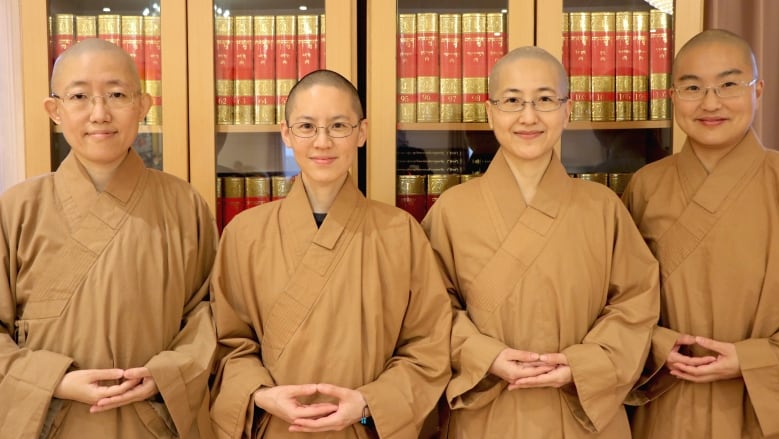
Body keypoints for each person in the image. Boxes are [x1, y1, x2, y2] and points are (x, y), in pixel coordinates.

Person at [421, 46, 660, 437]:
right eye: (512, 100)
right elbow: (427, 312)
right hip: (486, 416)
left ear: (567, 110)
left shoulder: (603, 208)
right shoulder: (451, 209)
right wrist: (486, 356)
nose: (528, 116)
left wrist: (583, 365)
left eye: (545, 100)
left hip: (582, 417)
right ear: (490, 111)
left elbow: (636, 304)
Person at [208, 69, 452, 438]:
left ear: (362, 132)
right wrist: (263, 395)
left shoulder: (400, 232)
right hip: (278, 428)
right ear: (286, 133)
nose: (322, 142)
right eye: (306, 126)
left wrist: (368, 403)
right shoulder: (245, 234)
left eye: (339, 126)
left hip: (363, 428)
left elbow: (428, 348)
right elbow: (228, 345)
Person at [0, 38, 218, 438]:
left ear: (142, 105)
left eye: (116, 94)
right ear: (55, 110)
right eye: (80, 96)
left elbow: (207, 315)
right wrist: (54, 381)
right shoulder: (16, 209)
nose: (99, 113)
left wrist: (164, 375)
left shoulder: (184, 204)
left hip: (151, 421)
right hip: (50, 421)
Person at [623, 29, 779, 438]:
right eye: (693, 87)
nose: (711, 103)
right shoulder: (645, 186)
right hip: (667, 404)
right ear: (673, 96)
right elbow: (613, 300)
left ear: (757, 90)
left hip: (763, 407)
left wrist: (754, 359)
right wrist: (659, 344)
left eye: (729, 84)